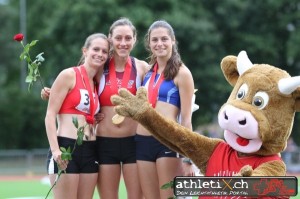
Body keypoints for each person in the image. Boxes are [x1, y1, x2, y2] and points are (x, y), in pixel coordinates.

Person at [135, 20, 195, 199]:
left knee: (168, 196)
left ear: (173, 41)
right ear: (149, 43)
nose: (159, 44)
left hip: (167, 143)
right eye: (154, 40)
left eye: (164, 39)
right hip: (142, 142)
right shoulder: (147, 72)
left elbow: (186, 120)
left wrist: (188, 157)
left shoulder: (182, 73)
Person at [44, 33, 109, 199]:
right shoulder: (69, 75)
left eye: (104, 51)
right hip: (66, 148)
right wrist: (55, 150)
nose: (100, 54)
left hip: (90, 151)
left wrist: (94, 121)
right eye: (96, 49)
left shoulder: (96, 84)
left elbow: (84, 116)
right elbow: (50, 115)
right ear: (85, 50)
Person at [96, 17, 149, 199]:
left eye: (128, 38)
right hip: (104, 144)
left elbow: (162, 87)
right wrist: (51, 91)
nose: (123, 43)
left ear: (134, 39)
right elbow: (76, 86)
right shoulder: (98, 67)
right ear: (110, 39)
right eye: (118, 38)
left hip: (134, 143)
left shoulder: (142, 68)